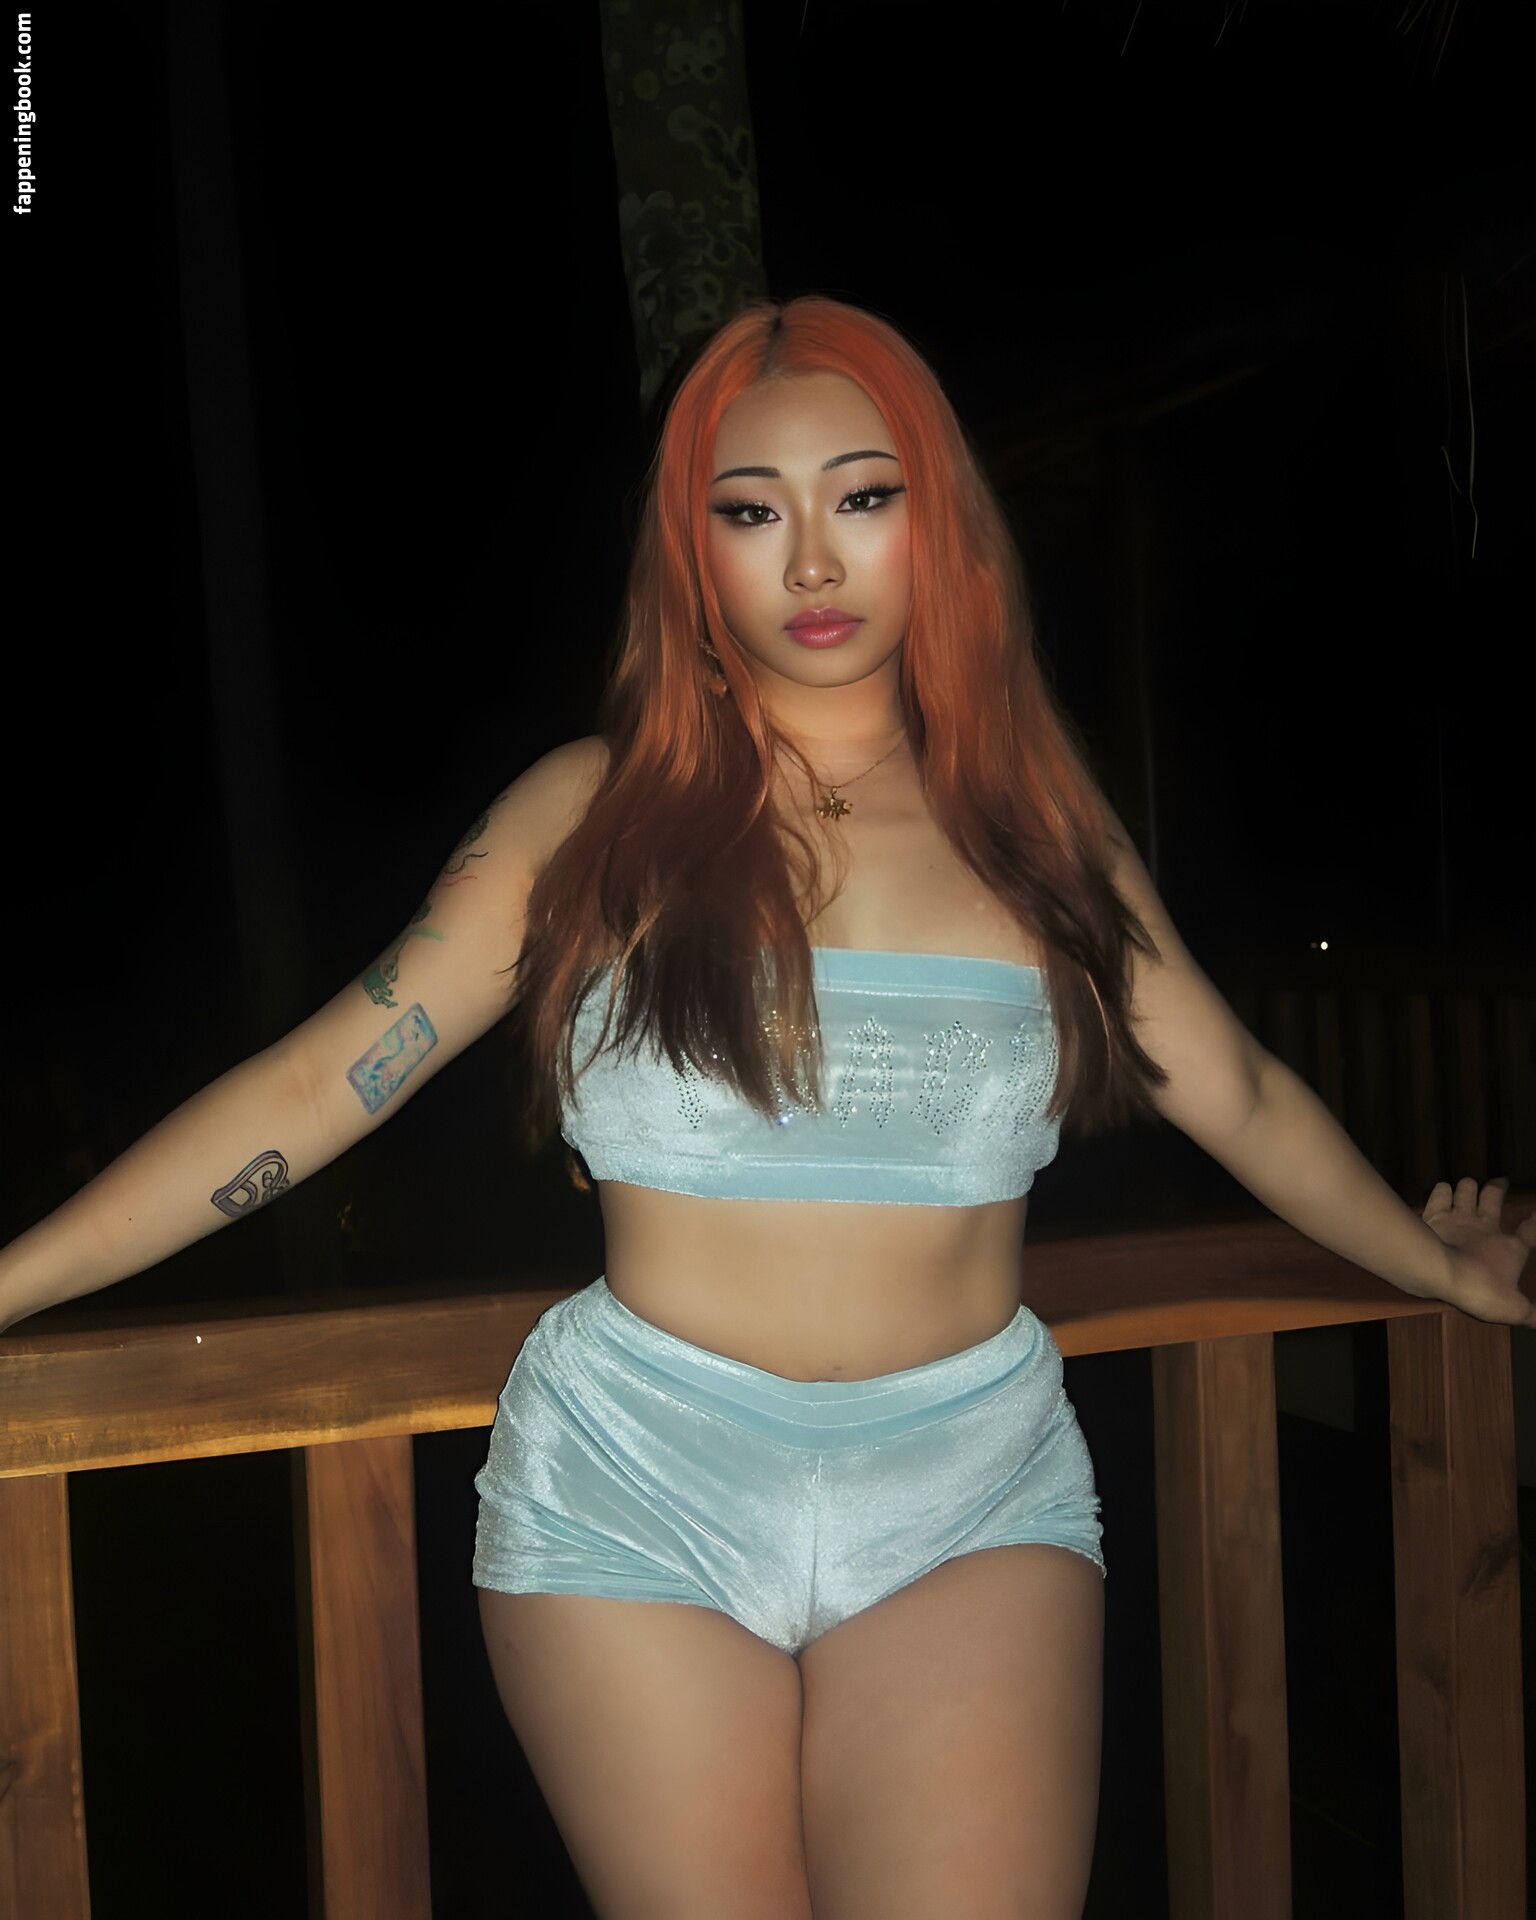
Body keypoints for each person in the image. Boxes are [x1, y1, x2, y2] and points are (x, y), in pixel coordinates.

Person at [3, 297, 1531, 1920]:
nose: (811, 559)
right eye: (752, 512)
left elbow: (1238, 1088)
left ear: (939, 524)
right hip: (638, 1486)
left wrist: (1430, 1262)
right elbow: (323, 1081)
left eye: (862, 497)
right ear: (694, 552)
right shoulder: (594, 817)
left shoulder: (1036, 828)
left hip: (967, 1490)